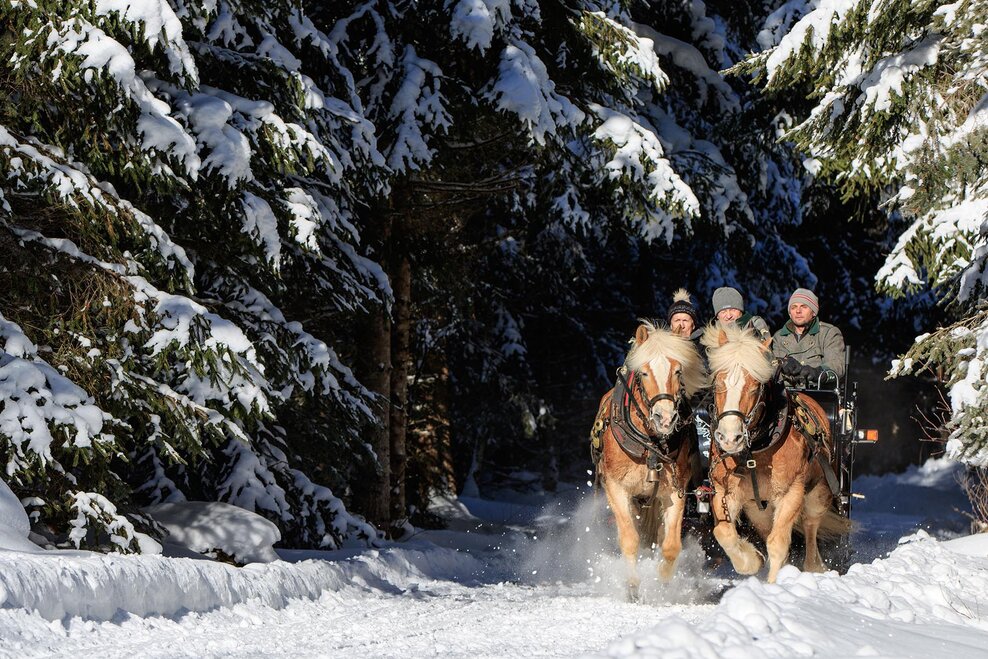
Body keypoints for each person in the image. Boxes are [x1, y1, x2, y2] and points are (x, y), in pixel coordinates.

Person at [772, 288, 846, 387]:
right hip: (786, 396)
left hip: (818, 395)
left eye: (804, 306)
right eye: (793, 307)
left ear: (814, 312)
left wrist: (816, 373)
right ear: (790, 313)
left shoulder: (828, 333)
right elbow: (772, 370)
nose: (798, 311)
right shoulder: (779, 337)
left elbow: (837, 366)